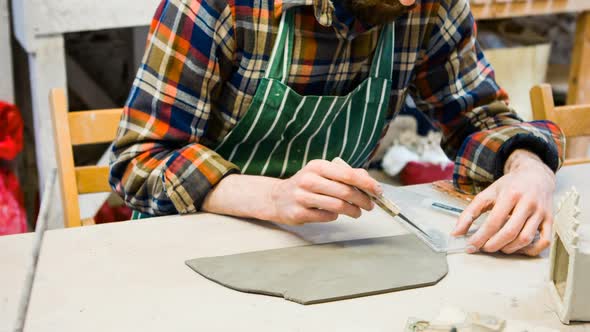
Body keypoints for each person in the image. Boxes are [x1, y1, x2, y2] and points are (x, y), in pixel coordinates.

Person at [109, 0, 565, 256]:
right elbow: (140, 162)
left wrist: (529, 168)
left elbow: (479, 119)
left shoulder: (429, 7)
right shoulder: (220, 5)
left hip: (323, 248)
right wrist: (273, 196)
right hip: (187, 247)